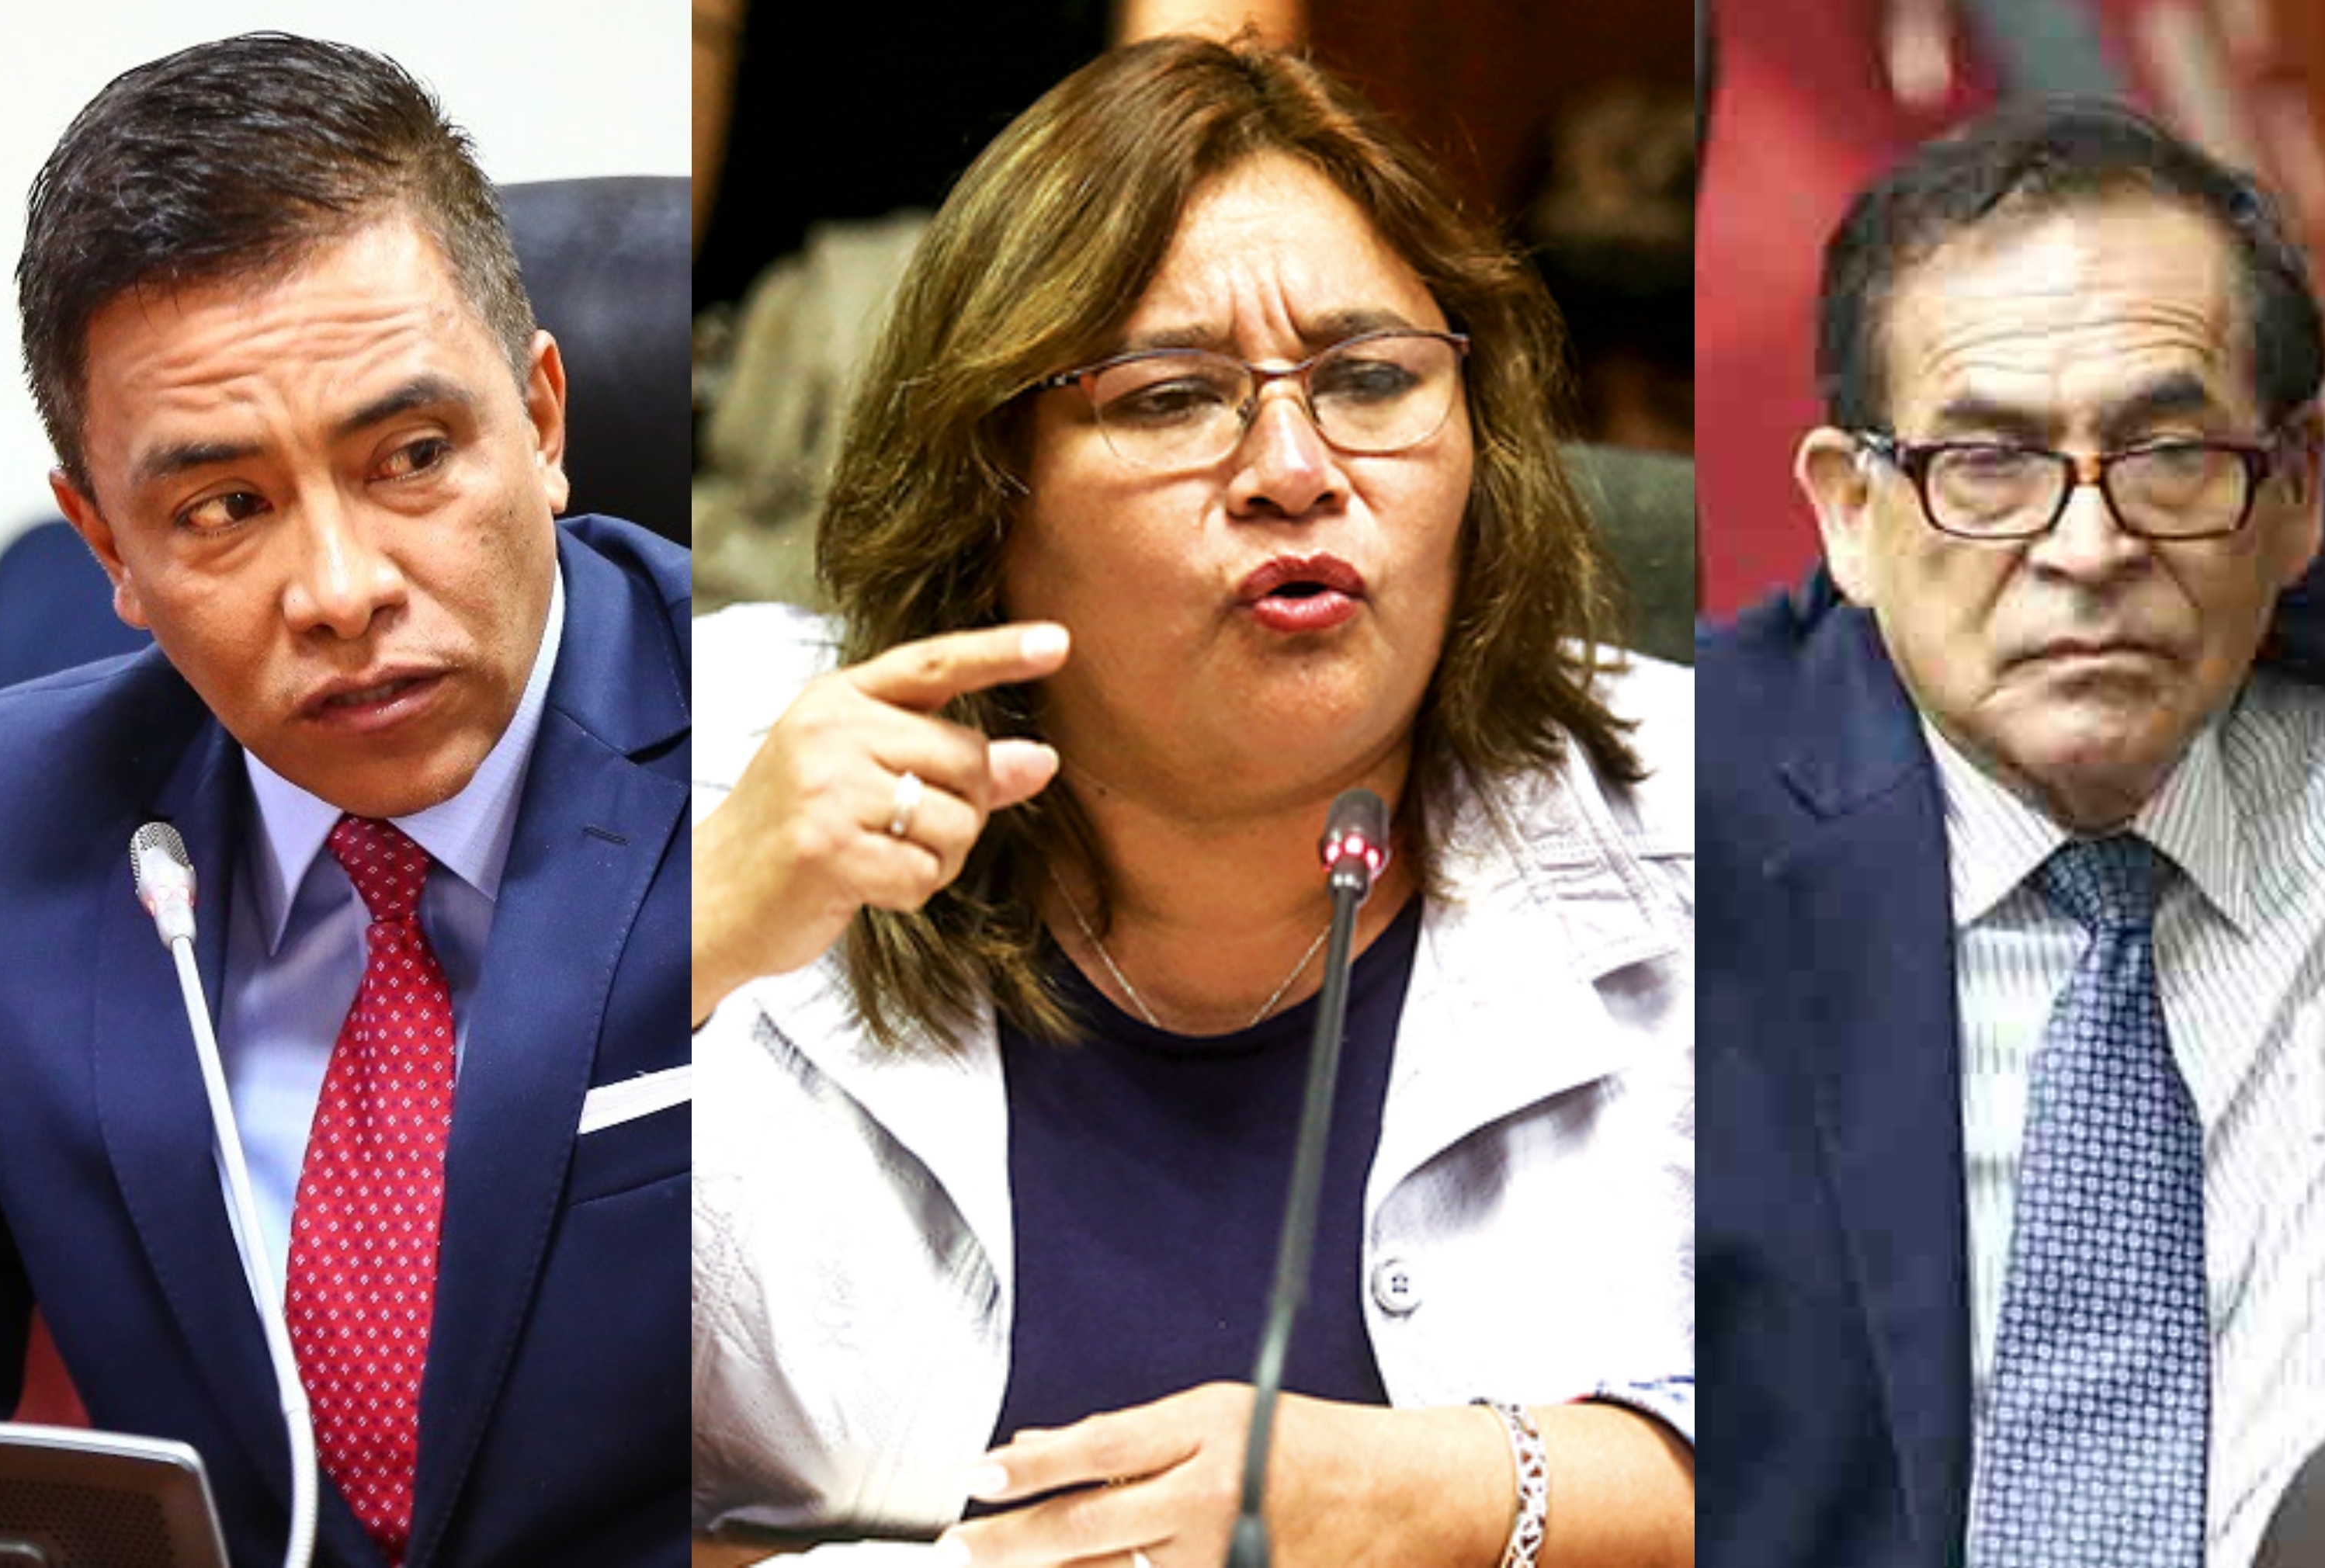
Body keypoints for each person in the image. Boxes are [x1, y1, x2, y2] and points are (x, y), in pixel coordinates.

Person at [691, 36, 1693, 1568]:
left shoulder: (1723, 815)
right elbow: (416, 1414)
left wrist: (1441, 1491)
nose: (1294, 468)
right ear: (987, 489)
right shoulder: (702, 770)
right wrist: (678, 944)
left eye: (1371, 379)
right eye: (1172, 399)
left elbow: (1905, 1422)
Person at [0, 34, 689, 1568]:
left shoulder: (773, 753)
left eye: (412, 456)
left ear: (543, 421)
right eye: (225, 507)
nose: (341, 592)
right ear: (108, 547)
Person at [1696, 99, 2325, 1568]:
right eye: (1987, 465)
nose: (2088, 546)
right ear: (1851, 512)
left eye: (2169, 451)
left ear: (2297, 488)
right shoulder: (1693, 840)